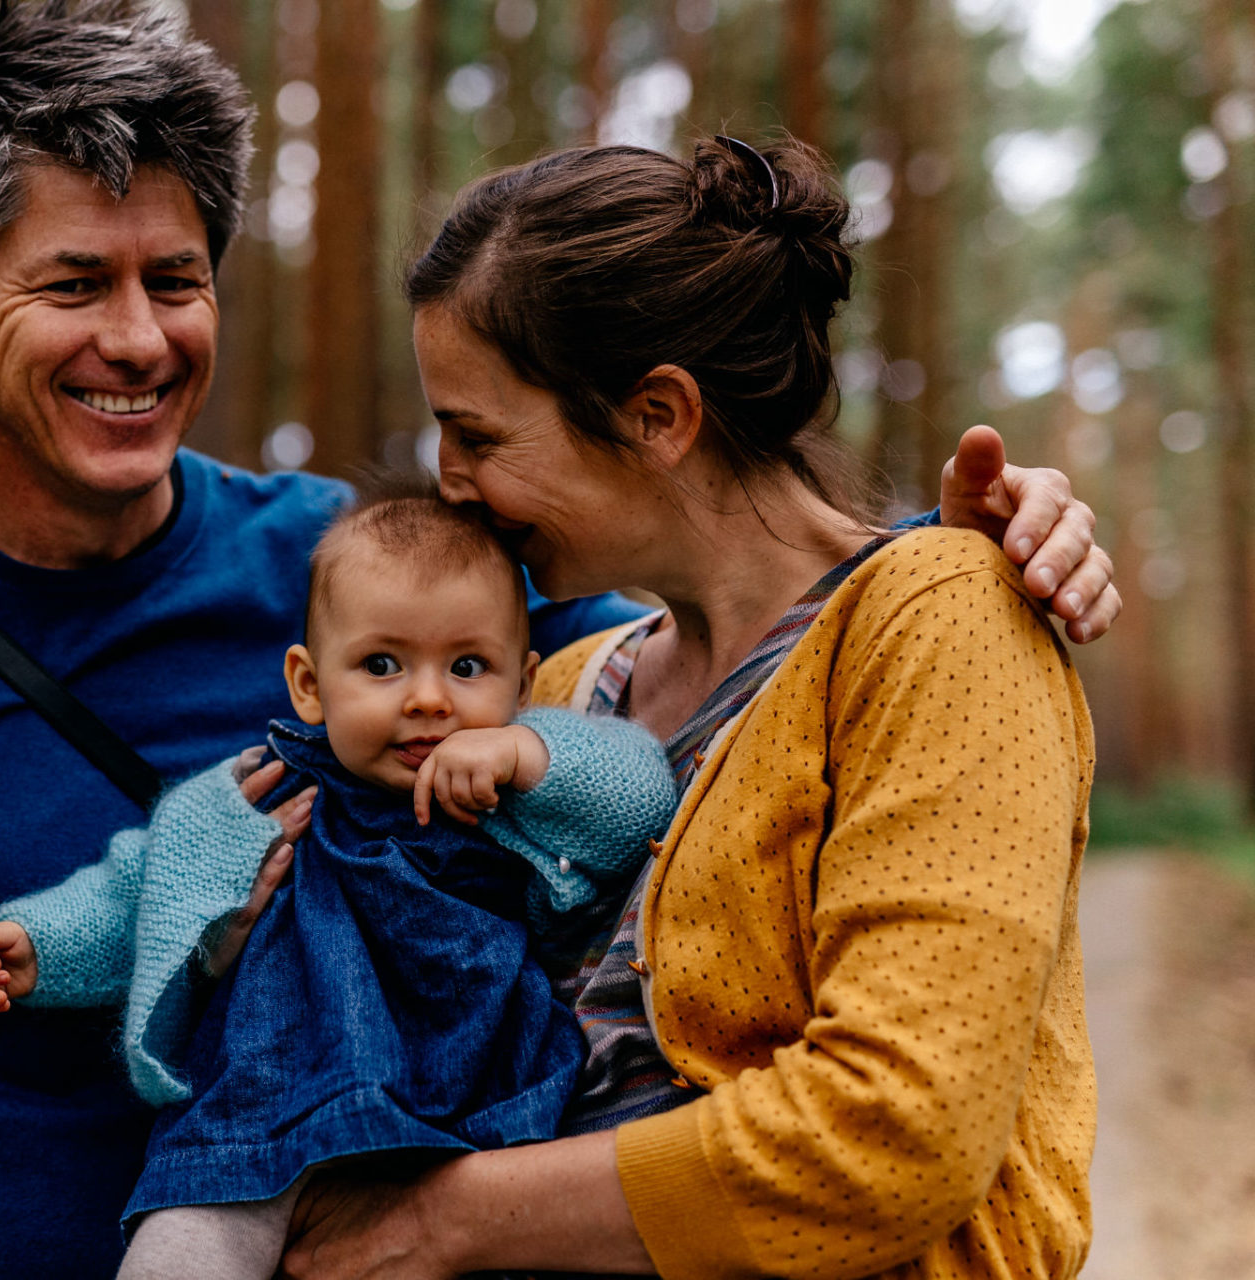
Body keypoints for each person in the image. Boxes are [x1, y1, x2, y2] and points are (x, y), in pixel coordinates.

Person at [0, 2, 1116, 1276]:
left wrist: (1006, 542)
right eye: (73, 284)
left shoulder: (392, 586)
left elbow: (776, 624)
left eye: (175, 280)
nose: (137, 338)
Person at [277, 139, 1098, 1280]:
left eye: (478, 435)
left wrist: (442, 1219)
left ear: (660, 413)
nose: (449, 481)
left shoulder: (936, 619)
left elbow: (896, 1135)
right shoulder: (565, 685)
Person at [0, 492, 679, 1280]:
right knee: (177, 1257)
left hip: (471, 1129)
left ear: (523, 681)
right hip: (258, 1115)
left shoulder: (512, 793)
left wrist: (528, 755)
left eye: (468, 667)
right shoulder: (262, 793)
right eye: (382, 665)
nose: (429, 698)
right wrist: (42, 941)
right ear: (308, 684)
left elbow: (639, 799)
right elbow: (139, 884)